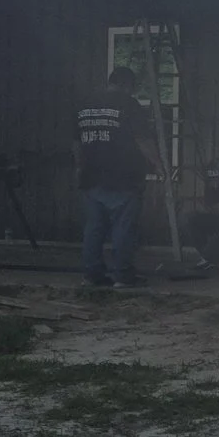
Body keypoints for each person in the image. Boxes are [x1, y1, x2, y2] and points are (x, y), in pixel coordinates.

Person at [75, 65, 155, 287]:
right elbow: (142, 140)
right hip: (124, 177)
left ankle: (92, 274)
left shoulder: (85, 105)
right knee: (123, 228)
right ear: (127, 85)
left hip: (91, 177)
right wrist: (159, 165)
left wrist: (79, 168)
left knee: (94, 228)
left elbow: (77, 142)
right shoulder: (129, 104)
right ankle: (123, 275)